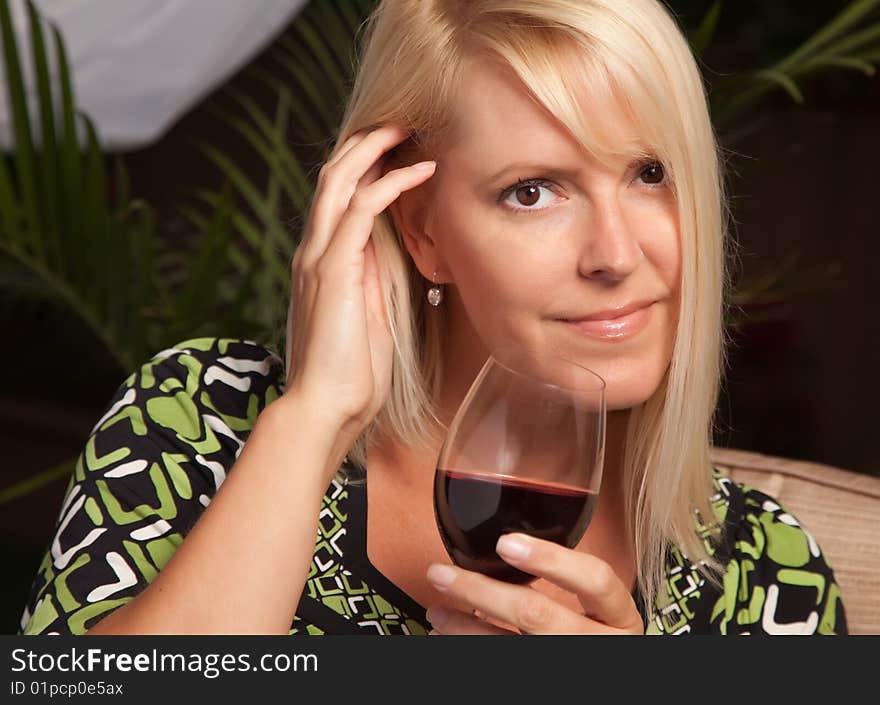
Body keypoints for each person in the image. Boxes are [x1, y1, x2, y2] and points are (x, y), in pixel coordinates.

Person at [20, 0, 847, 636]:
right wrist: (313, 417)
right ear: (421, 230)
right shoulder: (199, 418)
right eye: (533, 190)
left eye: (650, 171)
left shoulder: (766, 574)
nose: (616, 253)